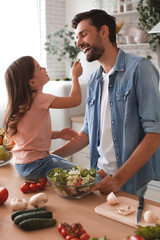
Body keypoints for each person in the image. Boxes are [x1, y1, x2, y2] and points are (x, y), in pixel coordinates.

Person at [52, 9, 160, 196]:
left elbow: (155, 133)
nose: (79, 43)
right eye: (77, 38)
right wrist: (50, 157)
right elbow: (87, 132)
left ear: (104, 31)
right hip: (98, 177)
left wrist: (118, 179)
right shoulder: (94, 79)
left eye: (84, 35)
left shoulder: (140, 69)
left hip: (128, 181)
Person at [4, 56, 82, 180]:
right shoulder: (39, 98)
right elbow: (75, 100)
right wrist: (75, 77)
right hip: (38, 165)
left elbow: (32, 136)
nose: (44, 68)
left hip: (23, 165)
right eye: (40, 68)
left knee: (65, 164)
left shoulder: (22, 103)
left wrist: (59, 134)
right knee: (81, 174)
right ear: (32, 82)